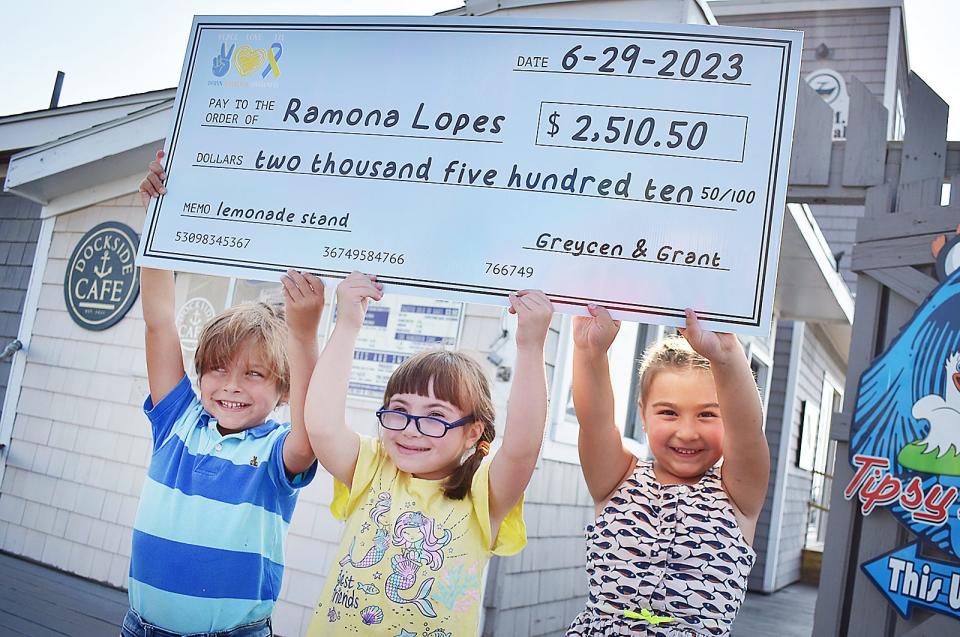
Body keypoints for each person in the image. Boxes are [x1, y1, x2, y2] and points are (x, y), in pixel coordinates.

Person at [126, 151, 322, 637]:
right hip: (140, 627)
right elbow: (159, 322)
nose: (231, 385)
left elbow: (312, 425)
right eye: (217, 369)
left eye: (254, 374)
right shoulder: (178, 422)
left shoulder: (278, 450)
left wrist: (304, 334)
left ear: (281, 390)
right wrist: (158, 221)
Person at [303, 272, 553, 636]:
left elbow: (522, 448)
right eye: (399, 409)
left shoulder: (483, 494)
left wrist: (531, 347)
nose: (409, 427)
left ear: (473, 433)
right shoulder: (373, 467)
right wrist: (347, 324)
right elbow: (322, 426)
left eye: (435, 417)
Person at [566, 306, 769, 636]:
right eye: (669, 413)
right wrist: (590, 351)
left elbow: (748, 431)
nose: (687, 432)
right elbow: (595, 422)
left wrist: (727, 356)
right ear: (643, 415)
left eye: (707, 415)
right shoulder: (617, 478)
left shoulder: (738, 495)